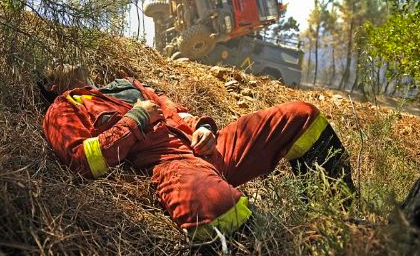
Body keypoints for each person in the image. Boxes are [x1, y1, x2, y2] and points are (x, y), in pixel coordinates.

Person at [39, 64, 355, 240]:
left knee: (300, 116)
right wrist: (135, 120)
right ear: (53, 84)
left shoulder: (124, 84)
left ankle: (345, 213)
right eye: (57, 67)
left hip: (206, 149)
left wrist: (205, 128)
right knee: (213, 203)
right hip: (169, 164)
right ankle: (296, 243)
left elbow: (177, 111)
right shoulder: (63, 108)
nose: (67, 62)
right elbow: (84, 161)